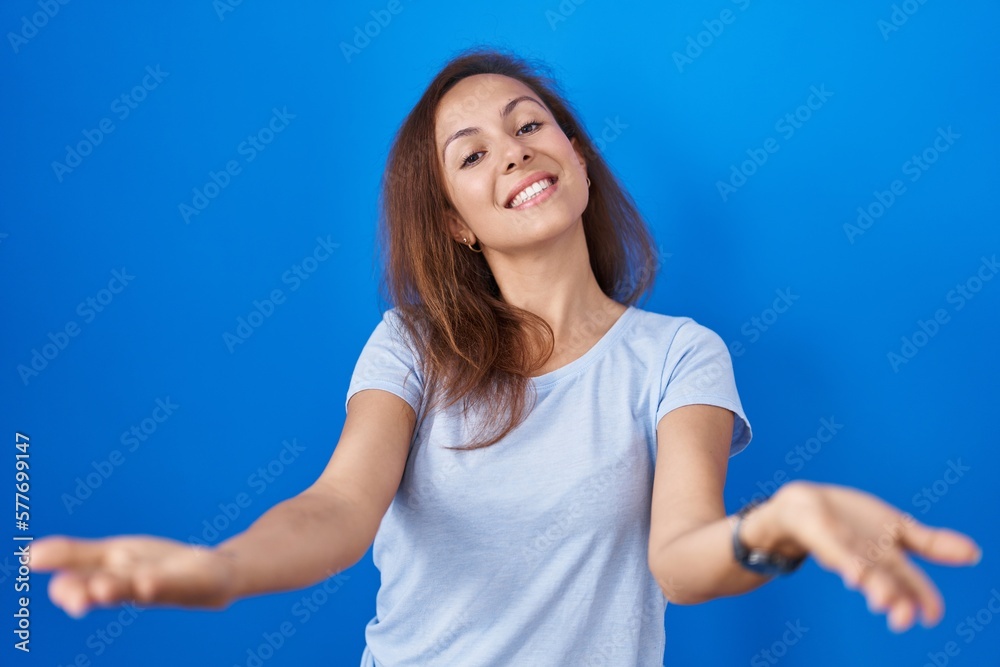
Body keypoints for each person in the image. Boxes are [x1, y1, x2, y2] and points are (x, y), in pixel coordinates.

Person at [32, 47, 981, 666]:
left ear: (572, 149)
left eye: (530, 124)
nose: (516, 153)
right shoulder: (413, 345)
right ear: (453, 222)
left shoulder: (677, 355)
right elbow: (338, 507)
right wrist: (225, 569)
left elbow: (685, 559)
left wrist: (773, 524)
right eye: (472, 152)